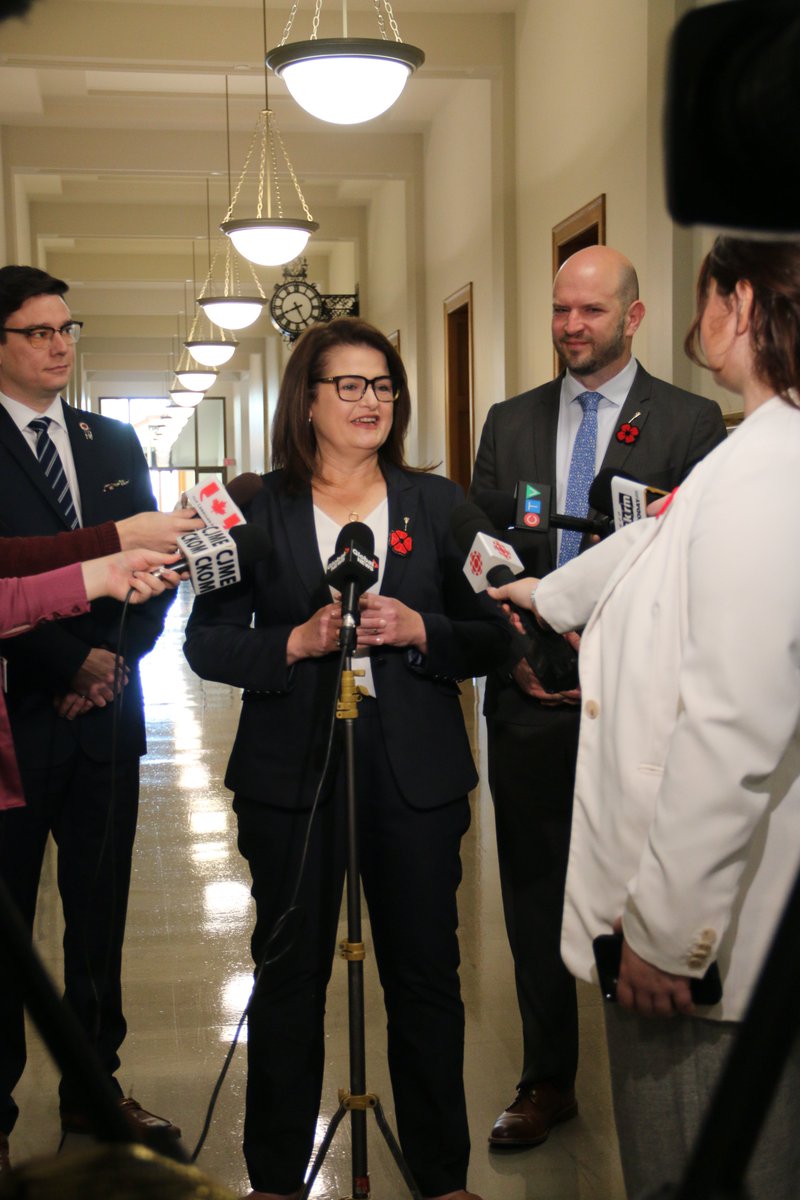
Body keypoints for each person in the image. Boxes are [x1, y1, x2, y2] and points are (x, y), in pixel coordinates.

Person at [488, 235, 800, 1199]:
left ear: (737, 305)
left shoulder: (764, 467)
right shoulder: (760, 448)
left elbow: (734, 720)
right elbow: (657, 536)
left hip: (702, 943)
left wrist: (667, 931)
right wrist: (549, 598)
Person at [183, 316, 509, 1200]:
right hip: (292, 775)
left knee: (425, 979)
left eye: (384, 387)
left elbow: (496, 629)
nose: (372, 402)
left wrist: (421, 628)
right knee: (289, 978)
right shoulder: (252, 507)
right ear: (309, 399)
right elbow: (203, 644)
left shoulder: (441, 505)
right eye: (351, 386)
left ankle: (444, 1178)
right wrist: (291, 641)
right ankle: (276, 1180)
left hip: (416, 776)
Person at [469, 244, 727, 1148]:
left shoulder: (692, 424)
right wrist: (513, 654)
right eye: (560, 311)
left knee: (641, 882)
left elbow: (692, 567)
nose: (572, 327)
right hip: (529, 691)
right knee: (535, 887)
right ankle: (548, 1080)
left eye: (590, 311)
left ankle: (663, 1075)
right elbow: (483, 550)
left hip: (641, 698)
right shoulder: (509, 421)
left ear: (635, 315)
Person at [0, 265, 187, 1161]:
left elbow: (158, 558)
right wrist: (70, 659)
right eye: (37, 331)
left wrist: (117, 658)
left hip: (108, 715)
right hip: (17, 717)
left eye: (68, 328)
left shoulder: (111, 441)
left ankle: (95, 1089)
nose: (59, 345)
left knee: (99, 911)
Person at [0, 548, 183, 816]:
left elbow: (161, 586)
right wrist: (74, 662)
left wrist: (109, 664)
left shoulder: (141, 509)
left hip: (111, 716)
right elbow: (12, 596)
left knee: (105, 852)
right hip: (25, 710)